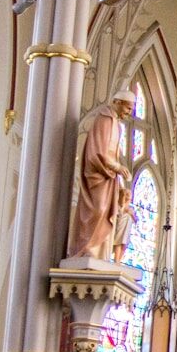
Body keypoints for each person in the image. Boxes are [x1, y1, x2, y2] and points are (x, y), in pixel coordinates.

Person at [68, 89, 135, 260]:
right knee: (98, 209)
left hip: (109, 177)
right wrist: (116, 167)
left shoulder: (116, 124)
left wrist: (117, 171)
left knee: (107, 214)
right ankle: (86, 249)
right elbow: (97, 151)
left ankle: (99, 253)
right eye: (128, 108)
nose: (129, 113)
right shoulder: (105, 119)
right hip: (97, 173)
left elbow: (114, 152)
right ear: (117, 102)